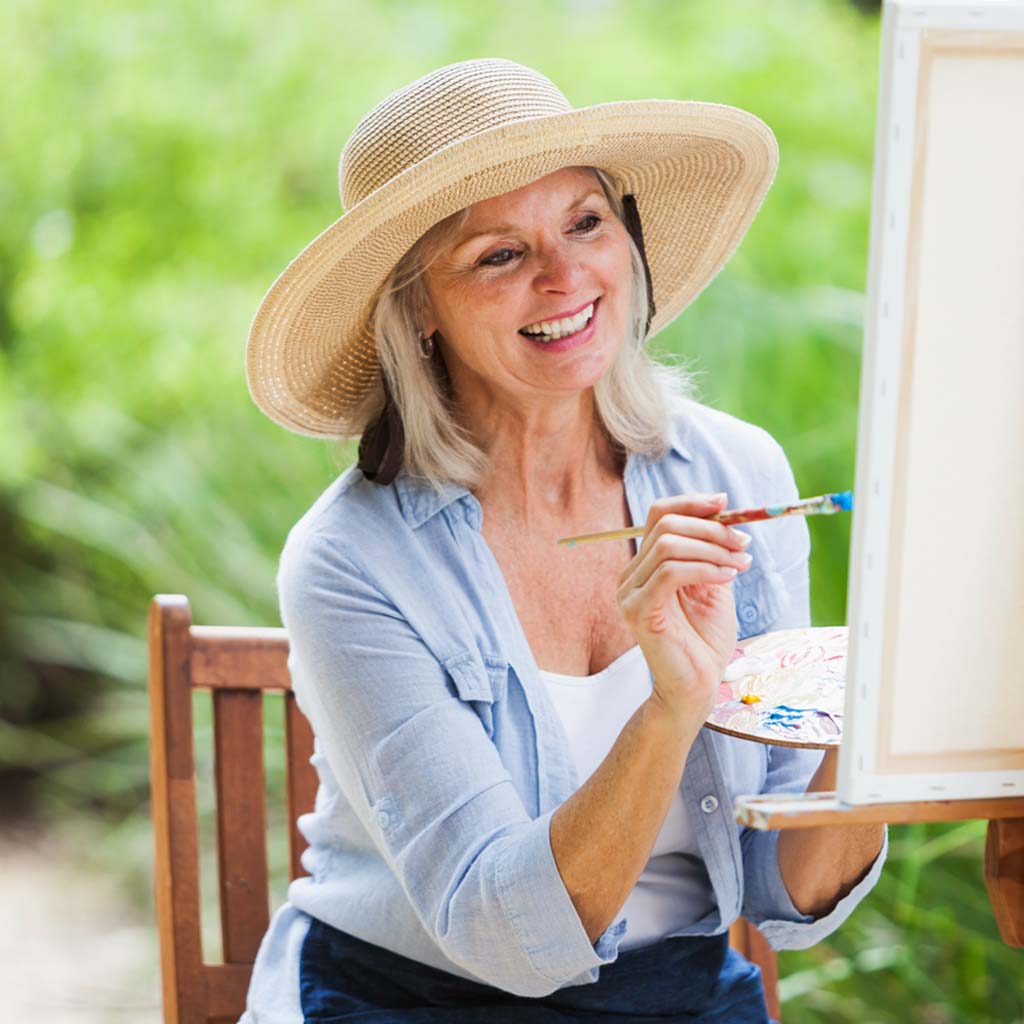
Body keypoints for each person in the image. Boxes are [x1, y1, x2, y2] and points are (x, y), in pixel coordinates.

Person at [240, 58, 886, 1024]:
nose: (565, 275)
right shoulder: (352, 561)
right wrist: (673, 705)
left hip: (677, 993)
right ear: (418, 308)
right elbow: (506, 939)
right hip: (411, 1000)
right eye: (499, 254)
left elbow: (783, 896)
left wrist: (883, 711)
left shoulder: (740, 477)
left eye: (586, 222)